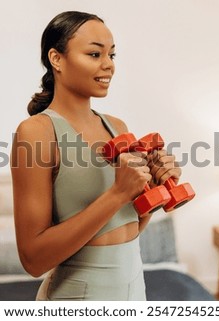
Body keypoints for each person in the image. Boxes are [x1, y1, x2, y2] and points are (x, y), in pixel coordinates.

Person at [10, 11, 181, 301]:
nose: (108, 66)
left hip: (134, 292)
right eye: (94, 54)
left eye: (112, 55)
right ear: (57, 59)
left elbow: (126, 228)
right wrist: (117, 193)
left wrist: (154, 190)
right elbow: (33, 260)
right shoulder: (37, 132)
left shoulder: (117, 128)